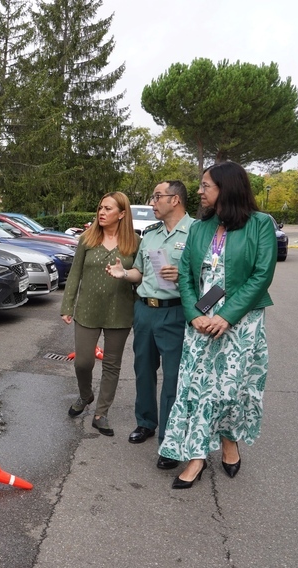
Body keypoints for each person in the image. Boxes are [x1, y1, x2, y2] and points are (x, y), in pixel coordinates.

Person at [157, 162, 277, 489]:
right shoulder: (199, 228)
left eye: (205, 185)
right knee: (195, 387)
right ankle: (196, 455)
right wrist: (194, 314)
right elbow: (185, 275)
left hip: (242, 321)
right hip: (200, 319)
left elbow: (261, 275)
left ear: (226, 188)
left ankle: (228, 439)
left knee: (230, 389)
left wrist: (227, 315)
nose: (199, 191)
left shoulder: (260, 225)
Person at [106, 181, 193, 469]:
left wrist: (183, 275)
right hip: (145, 311)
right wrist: (124, 273)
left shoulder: (196, 233)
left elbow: (210, 279)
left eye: (158, 197)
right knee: (143, 370)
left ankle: (170, 441)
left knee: (172, 379)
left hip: (176, 313)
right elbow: (140, 273)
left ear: (175, 200)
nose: (153, 202)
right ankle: (146, 423)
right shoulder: (151, 235)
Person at [60, 192, 139, 436]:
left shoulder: (135, 242)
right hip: (87, 310)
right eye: (100, 208)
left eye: (108, 209)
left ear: (122, 214)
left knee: (112, 365)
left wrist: (125, 273)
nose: (101, 212)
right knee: (83, 362)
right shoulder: (87, 238)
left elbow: (140, 275)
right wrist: (67, 305)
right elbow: (75, 275)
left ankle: (101, 413)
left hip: (120, 311)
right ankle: (86, 395)